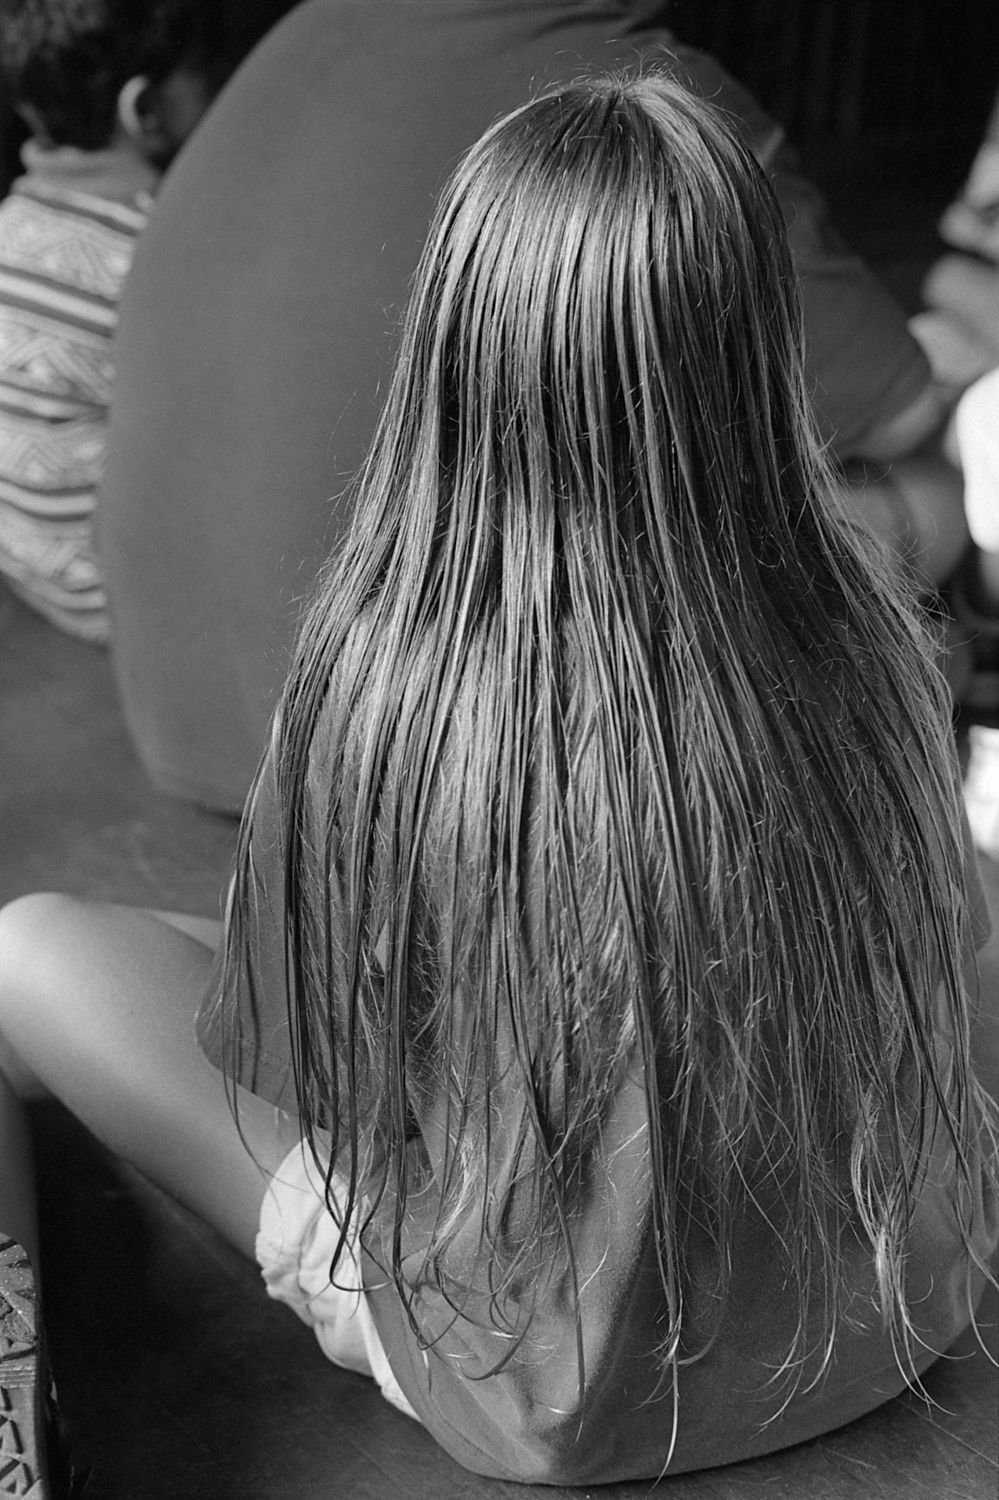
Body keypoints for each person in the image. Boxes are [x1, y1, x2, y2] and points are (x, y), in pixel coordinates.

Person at [0, 71, 995, 1493]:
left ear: (455, 341)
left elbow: (325, 1072)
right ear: (755, 342)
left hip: (544, 1394)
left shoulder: (390, 688)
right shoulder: (874, 633)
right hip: (890, 1318)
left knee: (37, 952)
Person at [97, 0, 967, 815]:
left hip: (197, 715)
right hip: (446, 778)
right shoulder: (646, 102)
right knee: (941, 489)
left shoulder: (300, 39)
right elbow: (897, 411)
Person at [0, 0, 221, 642]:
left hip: (27, 564)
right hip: (111, 600)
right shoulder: (156, 252)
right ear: (144, 110)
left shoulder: (13, 224)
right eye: (209, 76)